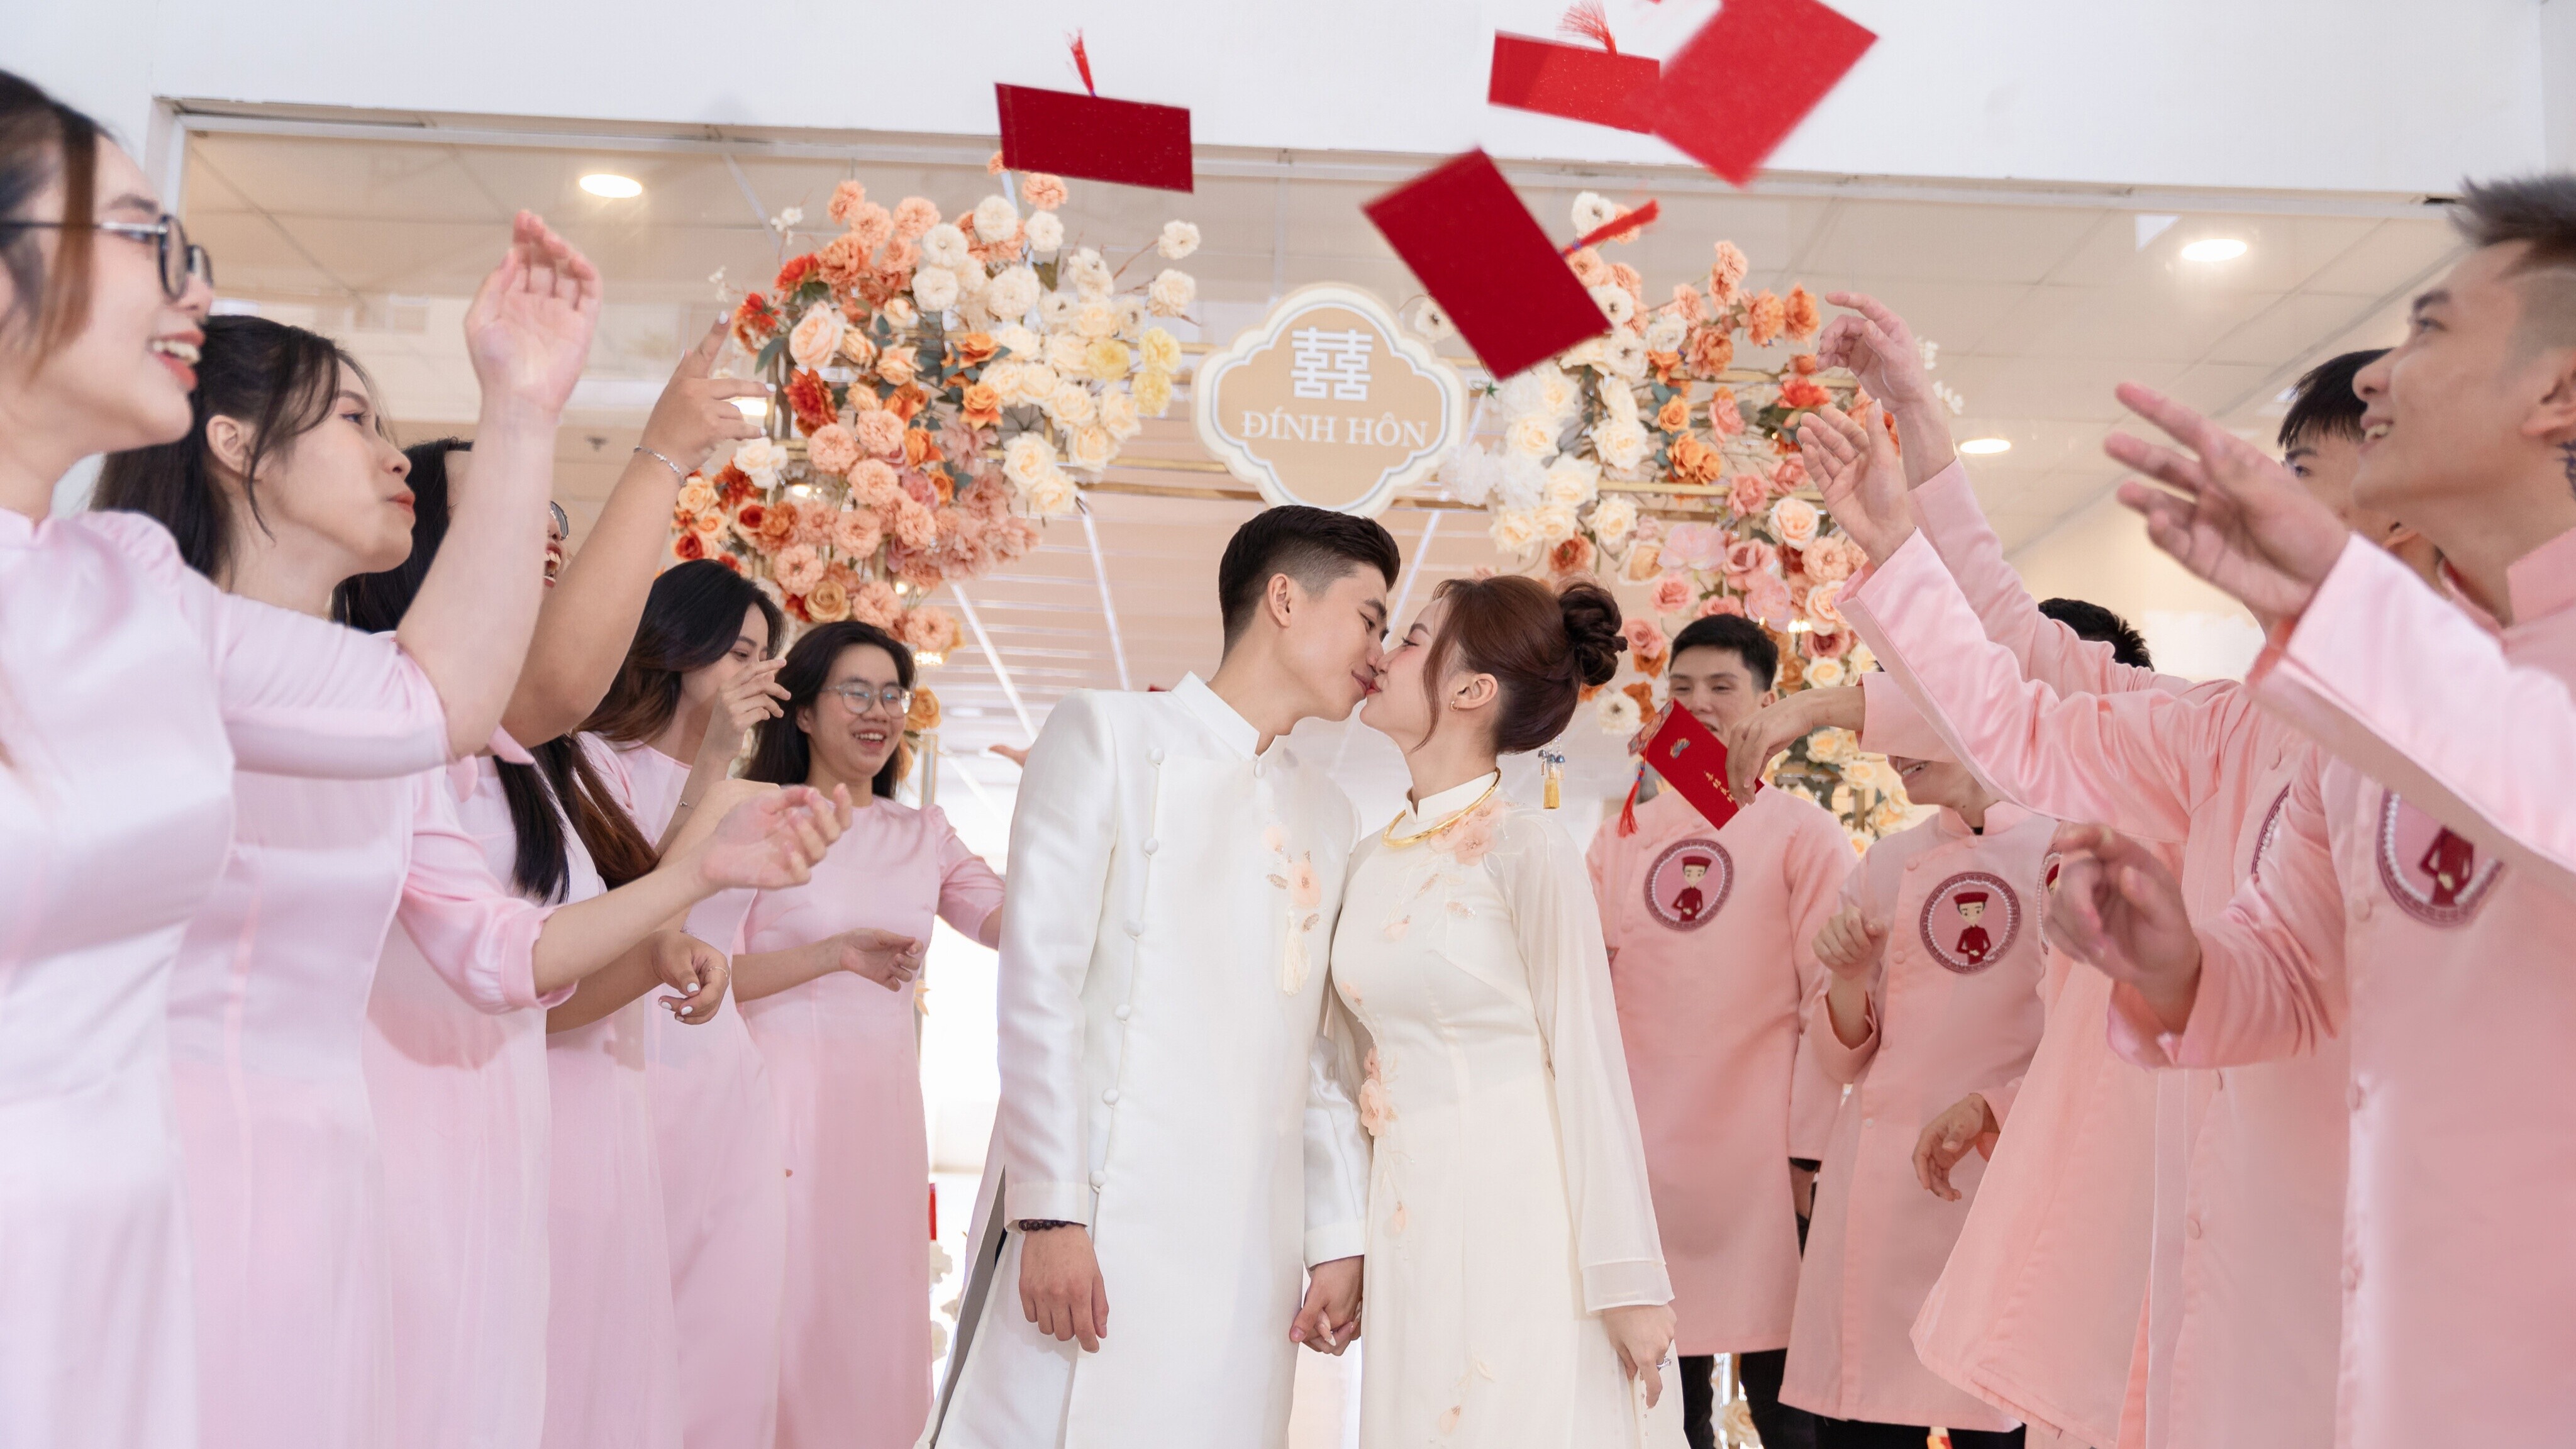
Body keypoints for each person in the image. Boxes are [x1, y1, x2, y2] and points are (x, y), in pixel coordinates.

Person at [0, 70, 614, 1446]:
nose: (193, 295)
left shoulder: (129, 582)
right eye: (150, 246)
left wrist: (519, 411)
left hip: (125, 1241)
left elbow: (435, 700)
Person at [87, 300, 813, 1449]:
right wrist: (570, 425)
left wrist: (696, 872)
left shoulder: (381, 700)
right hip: (161, 1150)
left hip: (333, 1168)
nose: (392, 456)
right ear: (235, 446)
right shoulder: (138, 625)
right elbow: (524, 686)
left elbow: (497, 947)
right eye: (356, 418)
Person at [1730, 299, 2424, 1449]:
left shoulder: (2450, 731)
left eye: (2301, 465)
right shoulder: (2241, 731)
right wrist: (1911, 487)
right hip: (2197, 1222)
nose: (2266, 493)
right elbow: (2024, 686)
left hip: (2356, 1258)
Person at [2048, 174, 2576, 1448]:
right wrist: (2171, 961)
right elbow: (2291, 973)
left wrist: (2341, 607)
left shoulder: (2387, 669)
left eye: (2430, 331)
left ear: (2554, 395)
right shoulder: (2386, 681)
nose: (2378, 379)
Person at [931, 505, 1394, 1449]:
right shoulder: (1106, 733)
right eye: (1371, 617)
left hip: (1242, 1246)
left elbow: (1316, 1051)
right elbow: (1039, 987)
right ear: (1283, 599)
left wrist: (1340, 1234)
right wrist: (1050, 1212)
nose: (1380, 651)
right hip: (1096, 1213)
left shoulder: (1331, 810)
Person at [1333, 574, 1677, 1445]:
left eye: (1412, 638)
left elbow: (1588, 1063)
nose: (1384, 654)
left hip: (1525, 1213)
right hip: (1412, 1211)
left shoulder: (1528, 848)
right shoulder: (1368, 859)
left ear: (1471, 690)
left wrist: (1630, 1283)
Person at [1585, 612, 1852, 1449]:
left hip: (1761, 1161)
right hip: (1647, 1158)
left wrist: (1806, 1148)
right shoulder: (1624, 836)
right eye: (1683, 688)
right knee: (1667, 1400)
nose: (1698, 704)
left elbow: (1829, 997)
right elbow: (1588, 980)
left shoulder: (1803, 834)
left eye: (1723, 688)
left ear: (1769, 702)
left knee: (1787, 1402)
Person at [724, 619, 986, 1449]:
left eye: (892, 696)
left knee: (869, 1322)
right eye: (857, 692)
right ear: (802, 712)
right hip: (776, 1110)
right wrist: (831, 956)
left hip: (880, 1122)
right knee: (779, 1316)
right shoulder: (754, 820)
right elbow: (704, 976)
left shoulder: (924, 836)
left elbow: (1021, 920)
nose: (879, 712)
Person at [579, 558, 798, 1449]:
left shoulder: (749, 794)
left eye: (765, 657)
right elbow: (632, 899)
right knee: (621, 1318)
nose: (755, 674)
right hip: (615, 1059)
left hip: (720, 1075)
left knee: (728, 1324)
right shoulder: (590, 763)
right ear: (677, 646)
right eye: (736, 651)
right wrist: (711, 765)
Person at [1779, 751, 2050, 1449]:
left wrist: (1993, 1105)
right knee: (1863, 1426)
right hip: (1878, 1184)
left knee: (1996, 1416)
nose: (1889, 749)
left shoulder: (2064, 854)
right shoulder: (1888, 862)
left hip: (2001, 1185)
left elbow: (2091, 1043)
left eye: (1907, 722)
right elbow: (1841, 1056)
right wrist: (1845, 977)